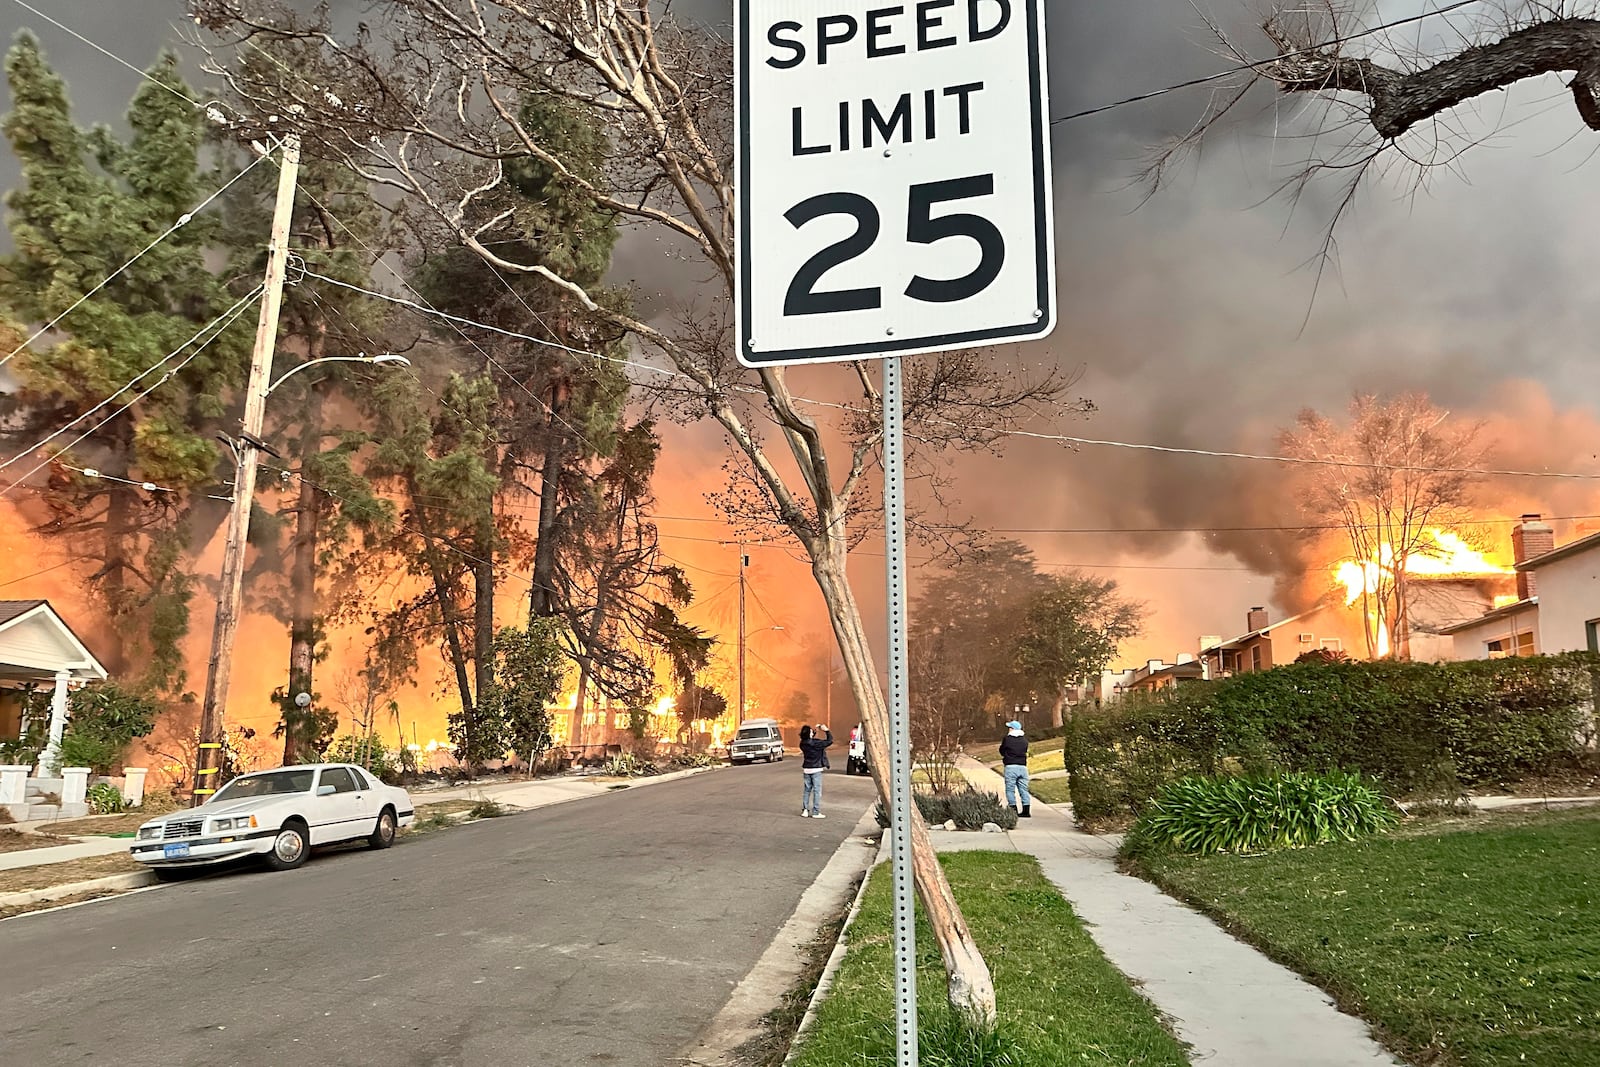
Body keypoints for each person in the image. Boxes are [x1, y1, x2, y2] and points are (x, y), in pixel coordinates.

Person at [798, 723, 833, 818]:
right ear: (809, 734)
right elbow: (829, 741)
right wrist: (826, 730)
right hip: (816, 769)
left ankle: (805, 810)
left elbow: (810, 740)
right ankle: (816, 812)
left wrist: (815, 731)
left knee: (807, 790)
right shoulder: (816, 743)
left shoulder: (802, 743)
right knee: (817, 791)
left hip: (806, 769)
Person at [999, 719, 1031, 818]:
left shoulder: (1007, 739)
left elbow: (1002, 750)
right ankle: (1026, 810)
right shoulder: (1024, 740)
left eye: (1009, 728)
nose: (1008, 729)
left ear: (1012, 729)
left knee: (1010, 789)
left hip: (1011, 767)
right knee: (1024, 789)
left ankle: (1013, 810)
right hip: (1022, 767)